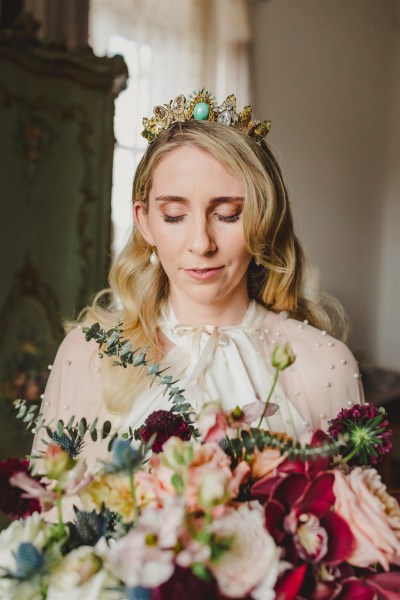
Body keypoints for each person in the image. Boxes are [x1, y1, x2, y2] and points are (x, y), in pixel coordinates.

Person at [32, 89, 364, 473]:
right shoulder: (88, 354)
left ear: (265, 218)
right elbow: (47, 516)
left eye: (227, 214)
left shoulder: (326, 365)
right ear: (145, 222)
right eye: (174, 215)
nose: (201, 243)